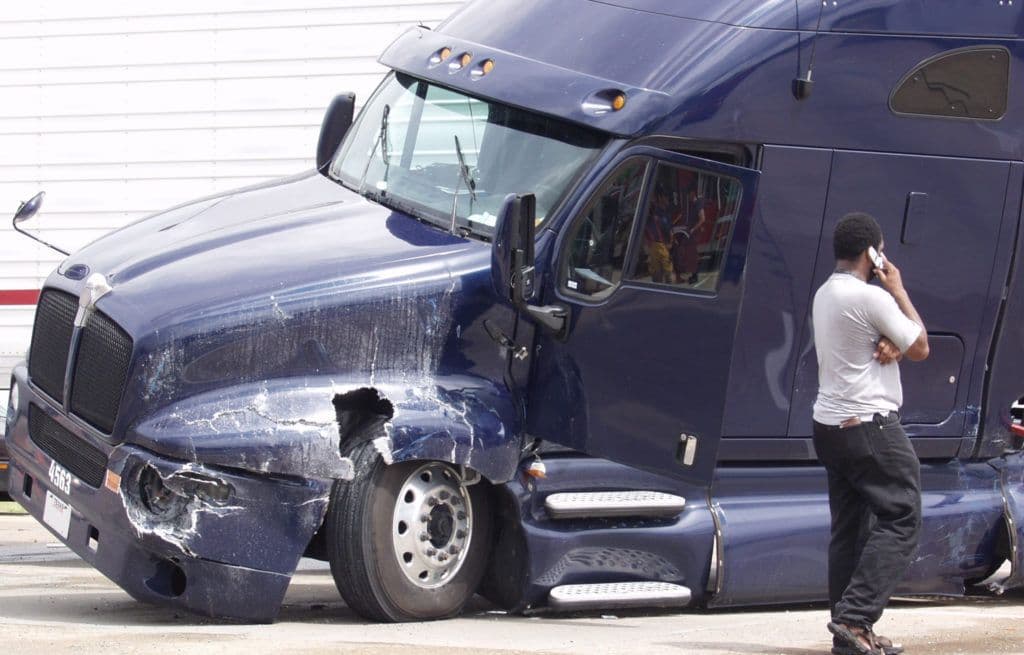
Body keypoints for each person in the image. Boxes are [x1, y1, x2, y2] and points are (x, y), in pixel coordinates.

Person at [811, 212, 930, 655]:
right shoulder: (872, 297)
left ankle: (849, 638)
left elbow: (880, 342)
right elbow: (920, 346)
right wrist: (896, 289)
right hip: (870, 427)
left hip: (829, 428)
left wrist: (891, 341)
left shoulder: (825, 294)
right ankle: (855, 619)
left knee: (849, 530)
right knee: (902, 516)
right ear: (873, 254)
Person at [671, 184, 706, 285]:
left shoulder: (698, 203)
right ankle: (692, 275)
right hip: (689, 233)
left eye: (688, 194)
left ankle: (694, 276)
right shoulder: (691, 204)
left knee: (692, 254)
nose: (687, 196)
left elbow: (702, 218)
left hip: (693, 234)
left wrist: (693, 229)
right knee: (690, 254)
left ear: (693, 193)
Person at [643, 185, 675, 283]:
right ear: (660, 197)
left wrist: (671, 242)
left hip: (665, 246)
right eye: (665, 197)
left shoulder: (666, 212)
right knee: (657, 274)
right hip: (655, 245)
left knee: (668, 273)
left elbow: (670, 229)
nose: (667, 199)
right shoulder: (653, 211)